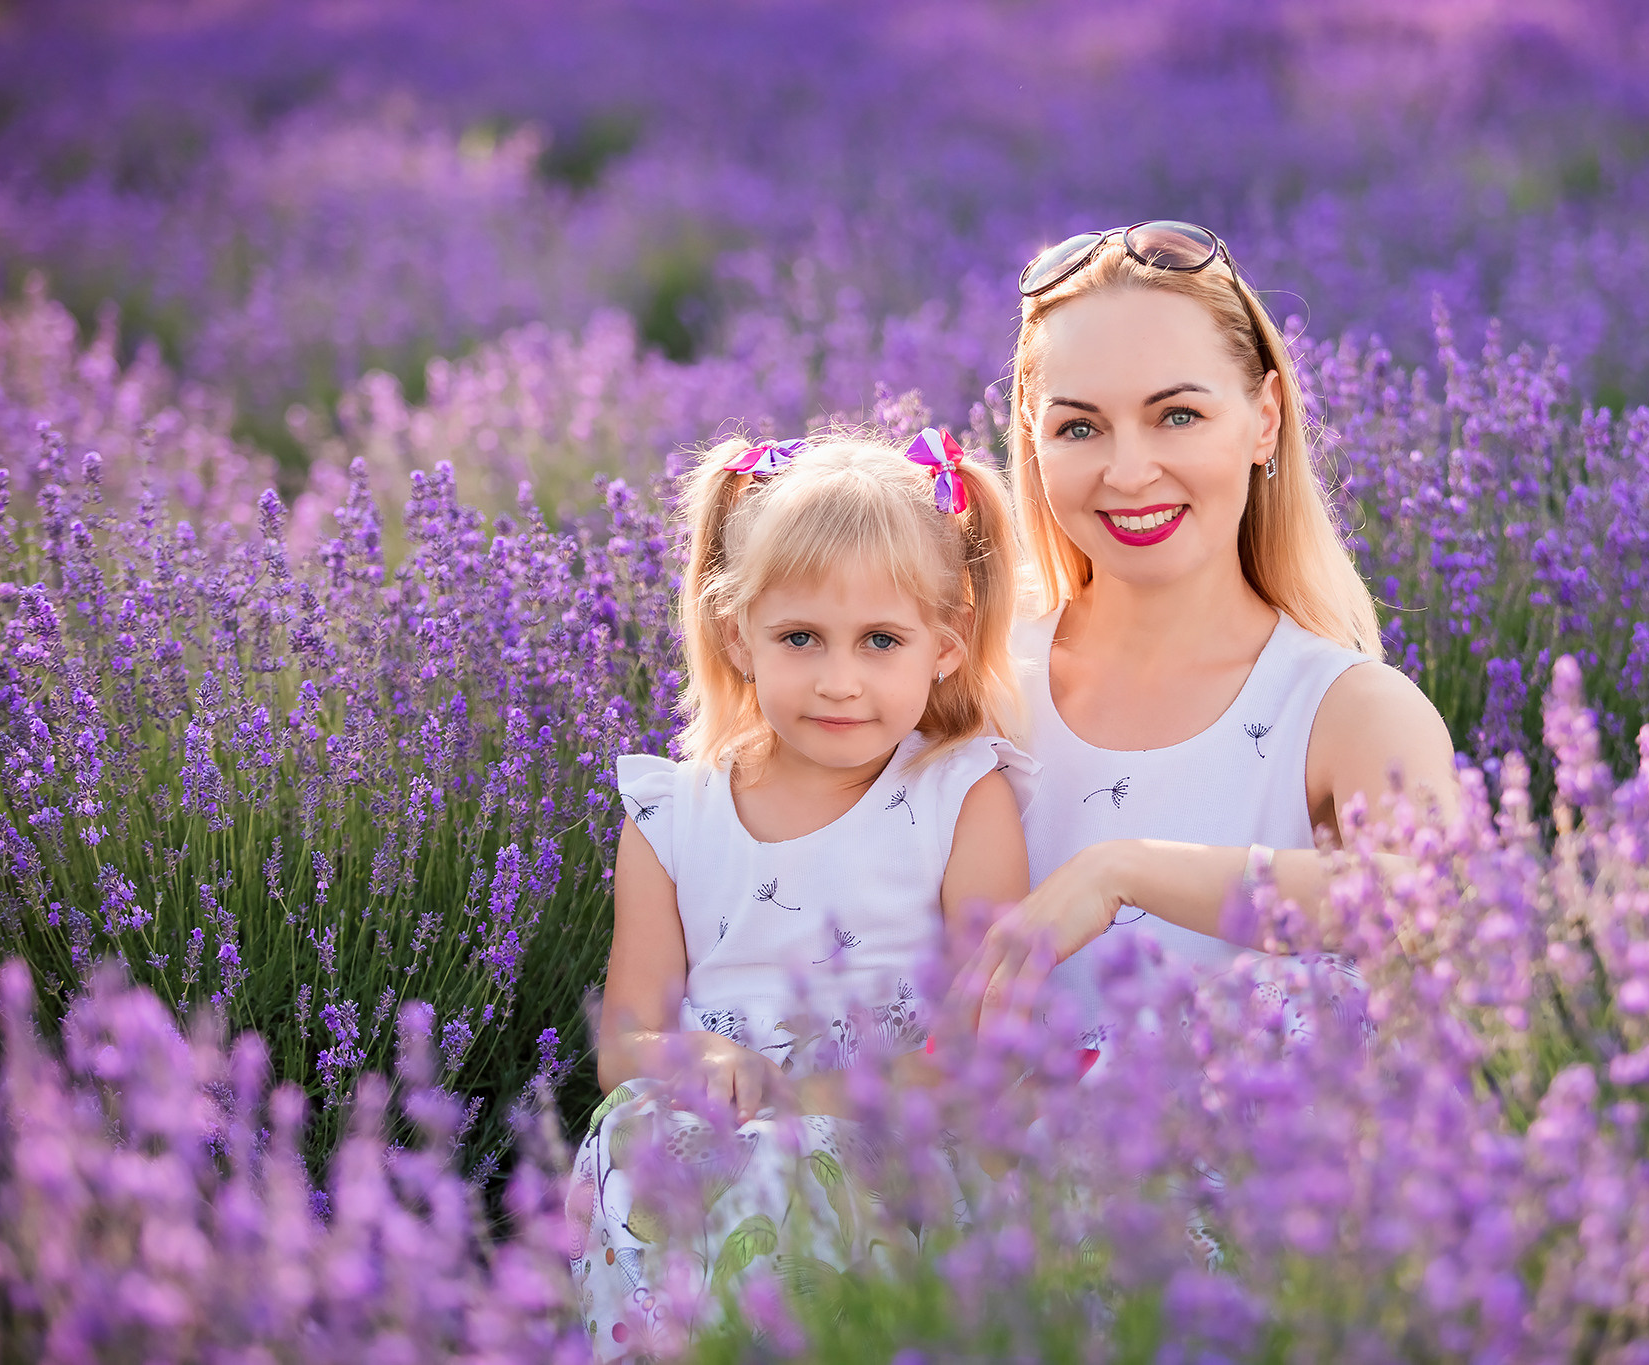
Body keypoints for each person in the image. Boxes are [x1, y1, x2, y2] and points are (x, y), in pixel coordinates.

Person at [570, 430, 1033, 1360]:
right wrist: (691, 1053)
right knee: (643, 1142)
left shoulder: (958, 795)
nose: (838, 680)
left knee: (798, 1168)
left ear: (944, 647)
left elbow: (982, 1047)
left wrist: (798, 1098)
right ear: (738, 633)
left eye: (880, 641)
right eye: (800, 637)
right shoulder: (674, 813)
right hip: (714, 1123)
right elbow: (623, 1041)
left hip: (886, 1120)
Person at [952, 221, 1458, 1047]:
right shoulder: (976, 678)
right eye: (1079, 427)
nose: (1128, 471)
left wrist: (1126, 870)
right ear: (1032, 439)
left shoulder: (1344, 708)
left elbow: (1439, 912)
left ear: (1265, 419)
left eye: (1177, 415)